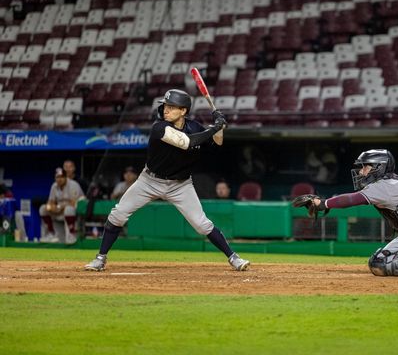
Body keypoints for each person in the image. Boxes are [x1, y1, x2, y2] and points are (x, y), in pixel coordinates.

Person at [84, 89, 250, 272]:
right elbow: (187, 142)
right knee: (118, 214)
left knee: (202, 224)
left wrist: (220, 126)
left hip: (180, 185)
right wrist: (214, 128)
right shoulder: (159, 127)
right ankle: (100, 258)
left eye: (171, 107)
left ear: (184, 111)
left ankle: (233, 257)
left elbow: (217, 142)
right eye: (166, 106)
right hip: (149, 181)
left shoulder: (194, 127)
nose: (166, 110)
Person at [294, 149, 398, 278]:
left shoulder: (383, 185)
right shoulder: (397, 181)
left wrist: (322, 203)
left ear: (379, 167)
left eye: (366, 167)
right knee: (396, 257)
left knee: (378, 262)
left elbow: (353, 199)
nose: (362, 172)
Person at [39, 167, 85, 244]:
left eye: (62, 177)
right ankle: (51, 234)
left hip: (74, 213)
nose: (59, 179)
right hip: (60, 212)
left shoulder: (73, 185)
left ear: (65, 177)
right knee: (43, 209)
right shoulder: (54, 186)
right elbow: (50, 201)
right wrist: (51, 207)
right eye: (57, 177)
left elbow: (74, 203)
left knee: (68, 209)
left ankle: (71, 234)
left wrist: (60, 207)